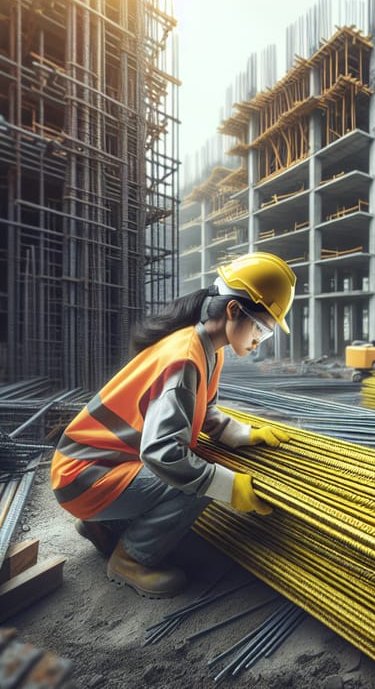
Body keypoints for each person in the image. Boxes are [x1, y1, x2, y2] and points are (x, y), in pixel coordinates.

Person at [50, 252, 295, 599]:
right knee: (195, 481)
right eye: (261, 328)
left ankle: (101, 526)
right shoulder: (184, 359)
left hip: (90, 466)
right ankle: (131, 559)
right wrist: (228, 486)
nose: (259, 341)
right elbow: (162, 453)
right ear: (233, 311)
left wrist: (245, 434)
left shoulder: (207, 348)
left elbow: (203, 411)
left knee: (198, 472)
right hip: (84, 477)